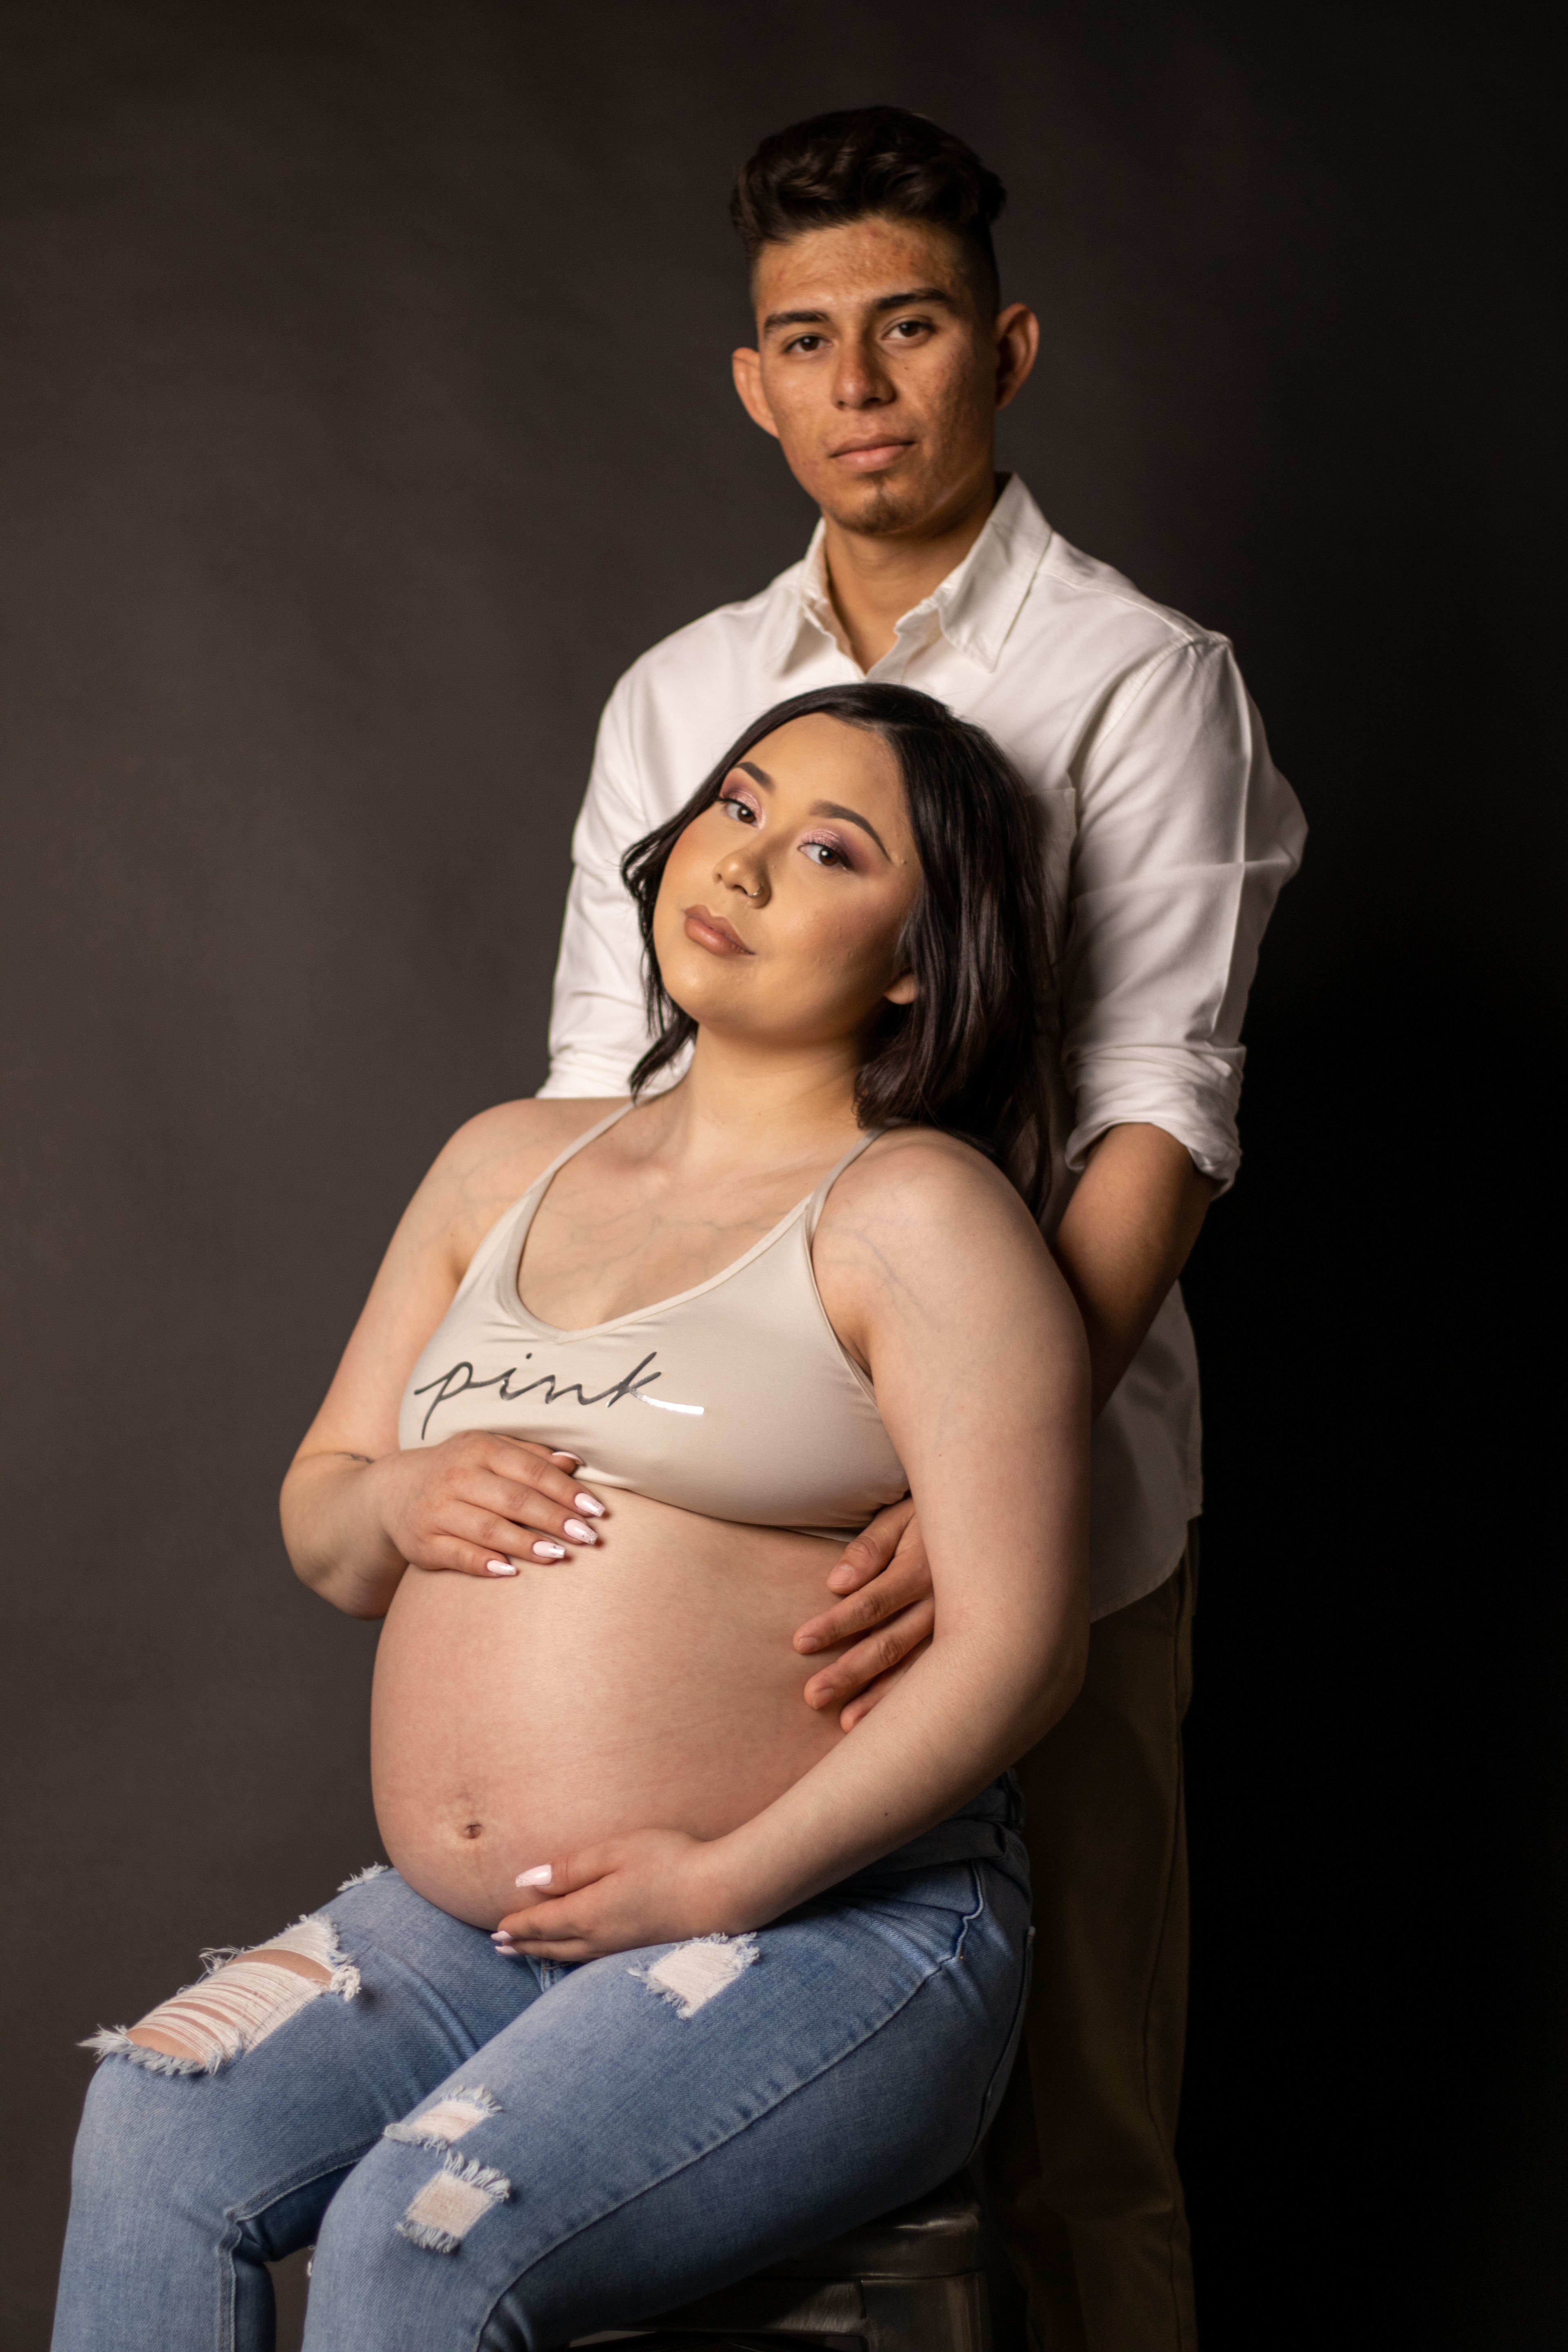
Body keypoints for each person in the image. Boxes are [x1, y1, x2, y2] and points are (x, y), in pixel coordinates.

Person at [53, 686, 1089, 2352]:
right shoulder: (502, 1164)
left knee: (419, 2235)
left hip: (826, 1925)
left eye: (825, 849)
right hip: (472, 1932)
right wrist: (396, 1491)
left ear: (914, 959)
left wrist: (723, 1881)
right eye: (736, 806)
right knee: (160, 2132)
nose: (740, 866)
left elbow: (1022, 1650)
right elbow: (326, 1532)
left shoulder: (917, 1214)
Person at [541, 107, 1307, 2351]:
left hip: (1044, 1518)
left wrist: (979, 1476)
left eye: (911, 327)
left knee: (1076, 2146)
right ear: (751, 381)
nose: (862, 385)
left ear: (1008, 347)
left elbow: (1161, 1105)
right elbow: (600, 1093)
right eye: (810, 340)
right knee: (707, 2130)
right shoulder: (682, 699)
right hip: (715, 1513)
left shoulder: (1144, 677)